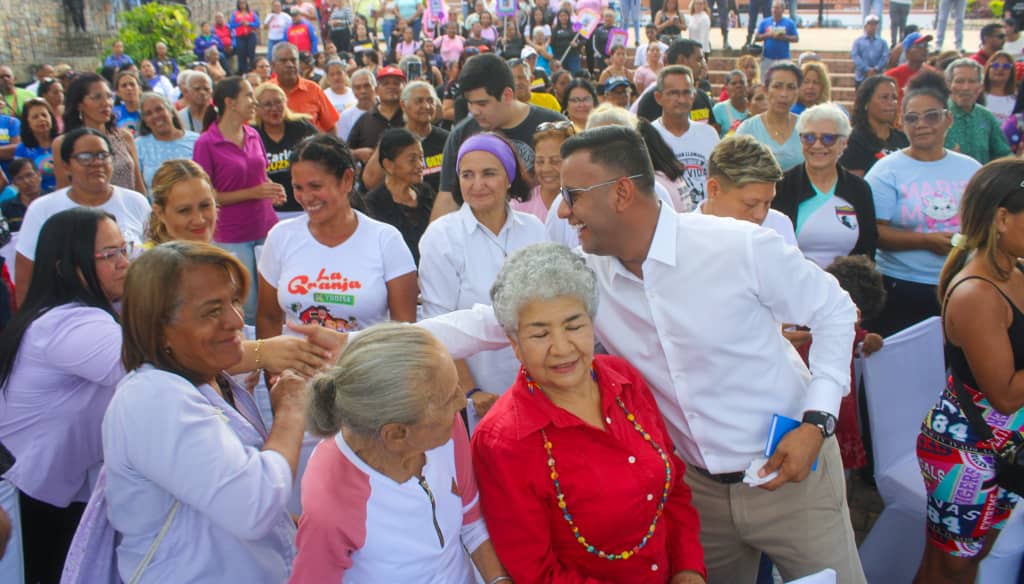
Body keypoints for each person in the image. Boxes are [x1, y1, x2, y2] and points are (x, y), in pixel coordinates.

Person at [416, 125, 865, 584]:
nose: (563, 210)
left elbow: (834, 311)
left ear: (622, 192)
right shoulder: (588, 275)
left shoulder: (739, 247)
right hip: (698, 497)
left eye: (573, 195)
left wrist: (817, 421)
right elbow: (484, 323)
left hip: (794, 475)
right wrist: (377, 344)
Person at [472, 242, 706, 583]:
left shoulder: (624, 380)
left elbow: (674, 489)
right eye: (540, 333)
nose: (562, 348)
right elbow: (536, 571)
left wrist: (688, 569)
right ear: (514, 344)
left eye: (574, 326)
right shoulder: (503, 441)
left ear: (592, 323)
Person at [99, 242, 305, 582]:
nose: (236, 320)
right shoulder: (153, 398)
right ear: (159, 329)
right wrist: (292, 409)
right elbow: (254, 505)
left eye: (234, 301)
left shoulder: (210, 380)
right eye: (212, 311)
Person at [290, 323, 508, 581]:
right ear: (396, 435)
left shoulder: (449, 427)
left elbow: (470, 519)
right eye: (449, 398)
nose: (462, 402)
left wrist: (499, 580)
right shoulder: (330, 506)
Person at [914, 158, 1024, 584]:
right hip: (966, 453)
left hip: (1005, 446)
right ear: (1002, 218)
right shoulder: (977, 293)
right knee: (951, 568)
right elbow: (1006, 395)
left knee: (968, 560)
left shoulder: (1014, 269)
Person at [256, 131, 417, 343]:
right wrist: (271, 364)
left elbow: (405, 332)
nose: (306, 197)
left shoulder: (386, 240)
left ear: (347, 180)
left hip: (365, 362)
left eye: (315, 186)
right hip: (296, 364)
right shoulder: (280, 237)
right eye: (298, 187)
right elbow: (268, 318)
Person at [864, 71, 982, 336]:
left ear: (948, 119)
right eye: (912, 118)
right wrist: (925, 241)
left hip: (961, 283)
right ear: (901, 122)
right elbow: (874, 231)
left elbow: (984, 223)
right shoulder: (886, 171)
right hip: (901, 286)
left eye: (931, 116)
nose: (922, 125)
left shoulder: (971, 169)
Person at [14, 128, 149, 305]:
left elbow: (151, 260)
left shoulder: (135, 201)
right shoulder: (42, 209)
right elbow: (25, 280)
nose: (96, 163)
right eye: (85, 157)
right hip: (67, 315)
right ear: (66, 166)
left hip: (135, 309)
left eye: (103, 155)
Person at [193, 77, 285, 324]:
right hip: (232, 235)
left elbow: (261, 175)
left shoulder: (253, 134)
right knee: (248, 304)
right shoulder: (206, 143)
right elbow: (205, 196)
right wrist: (254, 192)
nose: (254, 102)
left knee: (276, 298)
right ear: (230, 102)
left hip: (265, 227)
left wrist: (273, 191)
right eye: (249, 95)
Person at [433, 53, 565, 219]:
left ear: (507, 95)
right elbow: (447, 197)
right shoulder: (461, 135)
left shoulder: (553, 125)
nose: (474, 111)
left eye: (482, 103)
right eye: (470, 103)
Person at [774, 103, 878, 269]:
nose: (817, 145)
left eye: (828, 138)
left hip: (847, 283)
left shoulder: (859, 189)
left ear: (843, 143)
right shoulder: (781, 186)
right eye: (809, 137)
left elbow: (867, 249)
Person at [53, 73, 145, 193]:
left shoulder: (124, 137)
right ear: (79, 105)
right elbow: (63, 190)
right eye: (97, 97)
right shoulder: (62, 143)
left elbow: (138, 186)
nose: (106, 103)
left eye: (109, 96)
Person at [697, 134, 795, 245]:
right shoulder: (684, 237)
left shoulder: (779, 226)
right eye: (750, 204)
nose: (760, 215)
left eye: (768, 203)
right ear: (714, 189)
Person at [359, 128, 435, 263]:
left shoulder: (426, 193)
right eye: (412, 160)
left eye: (421, 157)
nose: (420, 165)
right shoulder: (373, 204)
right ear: (389, 165)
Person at [361, 80, 448, 195]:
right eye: (419, 101)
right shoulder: (393, 140)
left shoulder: (448, 139)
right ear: (403, 105)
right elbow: (370, 180)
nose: (426, 106)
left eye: (430, 101)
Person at [653, 65, 720, 209]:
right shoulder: (648, 136)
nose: (681, 99)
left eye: (686, 92)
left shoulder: (709, 134)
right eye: (673, 93)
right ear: (658, 97)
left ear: (694, 96)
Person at [252, 82, 318, 218]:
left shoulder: (302, 127)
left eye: (278, 102)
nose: (274, 108)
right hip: (268, 211)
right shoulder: (251, 134)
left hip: (306, 206)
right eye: (267, 104)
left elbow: (323, 155)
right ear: (257, 108)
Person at [736, 62, 803, 171]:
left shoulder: (806, 128)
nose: (784, 94)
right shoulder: (748, 129)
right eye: (777, 86)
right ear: (765, 90)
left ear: (798, 91)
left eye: (791, 87)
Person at [944, 58, 1012, 164]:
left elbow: (1003, 154)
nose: (966, 87)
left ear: (980, 86)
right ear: (948, 85)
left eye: (972, 81)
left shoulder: (986, 117)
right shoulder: (938, 116)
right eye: (959, 81)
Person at [634, 40, 715, 129]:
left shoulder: (703, 98)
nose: (703, 65)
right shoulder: (652, 99)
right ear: (682, 60)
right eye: (699, 60)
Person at [840, 75, 909, 177]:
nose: (891, 103)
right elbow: (854, 183)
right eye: (884, 97)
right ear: (866, 102)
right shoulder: (853, 140)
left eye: (894, 98)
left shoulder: (903, 139)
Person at [133, 93, 200, 192]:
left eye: (159, 109)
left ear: (170, 111)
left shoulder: (196, 140)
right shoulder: (138, 146)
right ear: (145, 121)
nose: (155, 115)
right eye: (148, 113)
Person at [271, 43, 339, 134]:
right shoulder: (266, 91)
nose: (290, 64)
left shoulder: (313, 89)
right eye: (283, 61)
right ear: (273, 65)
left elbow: (330, 127)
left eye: (293, 60)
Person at [514, 120, 572, 223]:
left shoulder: (585, 203)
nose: (546, 169)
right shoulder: (519, 205)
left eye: (555, 161)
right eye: (540, 161)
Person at [347, 66, 406, 164]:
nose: (391, 86)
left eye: (396, 83)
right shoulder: (364, 120)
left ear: (404, 88)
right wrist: (357, 154)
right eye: (386, 83)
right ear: (376, 90)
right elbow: (345, 152)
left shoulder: (412, 116)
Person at [14, 98, 57, 194]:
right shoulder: (22, 149)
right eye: (35, 117)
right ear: (27, 122)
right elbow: (20, 180)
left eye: (44, 115)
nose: (41, 119)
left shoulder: (63, 142)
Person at [885, 31, 934, 101]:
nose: (924, 49)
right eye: (920, 46)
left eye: (926, 46)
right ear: (907, 52)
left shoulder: (933, 74)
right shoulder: (892, 76)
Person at [756, 1, 798, 72]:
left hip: (784, 59)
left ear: (783, 10)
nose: (774, 10)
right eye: (773, 7)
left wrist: (784, 37)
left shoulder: (789, 23)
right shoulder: (765, 22)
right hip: (767, 58)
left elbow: (796, 38)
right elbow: (757, 37)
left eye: (777, 8)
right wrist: (768, 34)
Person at [0, 159, 41, 231]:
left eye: (29, 175)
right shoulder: (6, 207)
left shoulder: (51, 200)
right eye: (20, 178)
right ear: (14, 183)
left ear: (39, 175)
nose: (26, 181)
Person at [336, 69, 375, 141]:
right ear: (352, 91)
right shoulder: (345, 117)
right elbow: (342, 145)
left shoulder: (387, 110)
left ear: (375, 87)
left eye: (367, 86)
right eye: (358, 87)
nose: (363, 91)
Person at [852, 15, 890, 87]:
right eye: (870, 24)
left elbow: (885, 57)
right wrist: (866, 69)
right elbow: (855, 56)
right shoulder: (858, 42)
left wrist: (876, 68)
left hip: (878, 76)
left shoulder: (882, 42)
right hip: (862, 77)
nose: (873, 27)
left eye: (875, 24)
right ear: (865, 26)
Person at [712, 70, 749, 137]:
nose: (738, 86)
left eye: (742, 82)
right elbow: (714, 137)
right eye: (733, 83)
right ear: (726, 88)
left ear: (747, 86)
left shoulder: (753, 107)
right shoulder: (719, 109)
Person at [983, 51, 1017, 124]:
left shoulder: (1017, 100)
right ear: (988, 69)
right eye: (995, 65)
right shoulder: (976, 96)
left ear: (1011, 72)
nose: (1000, 69)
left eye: (1006, 66)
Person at [231, 0, 261, 74]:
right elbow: (232, 25)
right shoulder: (235, 14)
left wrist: (249, 24)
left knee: (251, 54)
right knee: (241, 54)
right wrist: (239, 23)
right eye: (240, 3)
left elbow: (257, 24)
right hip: (240, 36)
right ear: (238, 4)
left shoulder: (251, 13)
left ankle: (253, 70)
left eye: (244, 3)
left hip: (251, 35)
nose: (242, 4)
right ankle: (243, 72)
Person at [111, 71, 143, 136]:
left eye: (132, 84)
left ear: (140, 89)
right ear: (118, 92)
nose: (129, 88)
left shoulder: (148, 110)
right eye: (124, 86)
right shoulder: (113, 113)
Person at [551, 9, 582, 74]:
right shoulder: (555, 29)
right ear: (558, 17)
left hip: (573, 55)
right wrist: (555, 59)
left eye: (565, 15)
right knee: (561, 75)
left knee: (576, 73)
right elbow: (553, 44)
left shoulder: (575, 26)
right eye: (561, 16)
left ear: (568, 16)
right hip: (560, 56)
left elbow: (584, 39)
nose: (563, 18)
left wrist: (577, 44)